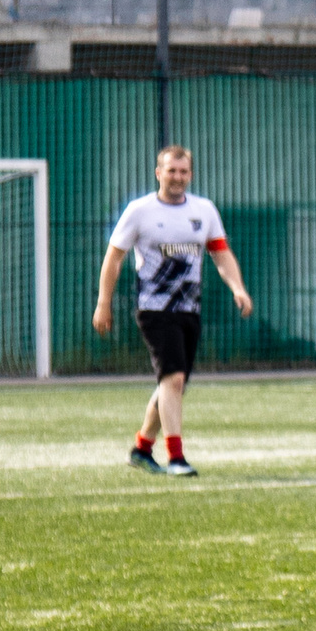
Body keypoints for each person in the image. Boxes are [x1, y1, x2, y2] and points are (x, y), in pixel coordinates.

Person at [93, 145, 252, 477]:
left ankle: (141, 448)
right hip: (154, 311)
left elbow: (220, 253)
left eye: (183, 172)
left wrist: (237, 287)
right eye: (171, 171)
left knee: (171, 384)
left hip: (189, 310)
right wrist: (103, 303)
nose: (177, 177)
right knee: (174, 379)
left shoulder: (204, 210)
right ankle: (176, 457)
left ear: (190, 175)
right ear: (158, 173)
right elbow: (114, 257)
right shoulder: (140, 211)